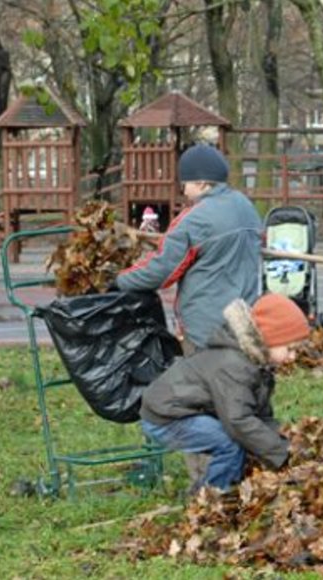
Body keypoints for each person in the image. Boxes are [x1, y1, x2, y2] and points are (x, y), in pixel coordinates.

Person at [140, 293, 310, 493]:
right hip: (166, 418)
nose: (293, 357)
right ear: (268, 338)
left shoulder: (256, 361)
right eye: (289, 349)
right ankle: (212, 498)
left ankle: (215, 486)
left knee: (238, 439)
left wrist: (287, 442)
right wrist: (281, 454)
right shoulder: (235, 365)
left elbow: (259, 415)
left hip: (183, 410)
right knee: (229, 444)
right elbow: (239, 421)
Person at [116, 143, 262, 354]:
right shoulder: (246, 206)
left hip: (207, 330)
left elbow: (161, 271)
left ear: (202, 183)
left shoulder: (196, 219)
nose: (183, 190)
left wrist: (119, 280)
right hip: (244, 323)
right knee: (237, 381)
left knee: (202, 384)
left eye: (185, 184)